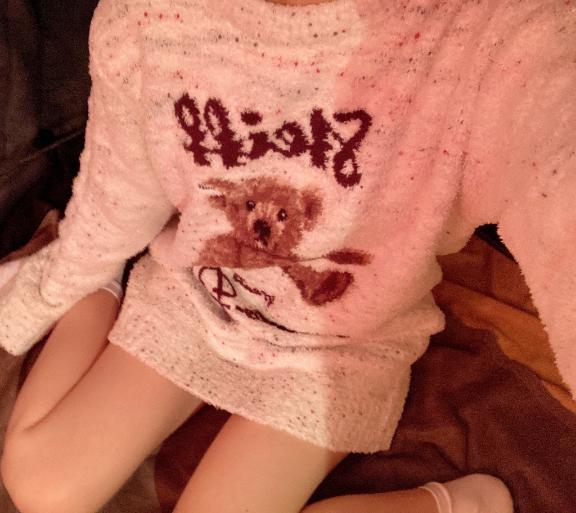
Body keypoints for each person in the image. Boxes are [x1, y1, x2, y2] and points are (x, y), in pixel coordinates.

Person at [0, 0, 574, 511]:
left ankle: (454, 505)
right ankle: (98, 292)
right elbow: (120, 189)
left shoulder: (498, 35)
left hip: (340, 349)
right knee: (41, 486)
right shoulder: (148, 19)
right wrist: (59, 283)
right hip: (197, 300)